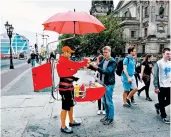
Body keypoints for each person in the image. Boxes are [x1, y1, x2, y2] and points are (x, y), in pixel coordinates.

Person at [56, 46, 88, 134]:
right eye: (69, 53)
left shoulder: (64, 61)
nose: (70, 54)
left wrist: (75, 68)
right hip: (65, 88)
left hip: (69, 87)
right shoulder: (63, 61)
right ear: (65, 52)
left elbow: (71, 72)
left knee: (70, 105)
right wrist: (84, 62)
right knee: (65, 107)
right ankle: (63, 126)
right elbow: (74, 66)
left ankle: (71, 121)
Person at [89, 46, 117, 125]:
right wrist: (91, 66)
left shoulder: (113, 61)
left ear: (109, 52)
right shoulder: (104, 59)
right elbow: (99, 66)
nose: (104, 54)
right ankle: (107, 116)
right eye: (104, 52)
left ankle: (110, 118)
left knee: (109, 101)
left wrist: (97, 67)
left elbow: (107, 71)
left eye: (106, 52)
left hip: (109, 84)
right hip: (102, 83)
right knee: (104, 101)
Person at [153, 48, 171, 124]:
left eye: (170, 54)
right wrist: (156, 87)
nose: (169, 55)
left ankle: (158, 106)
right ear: (163, 54)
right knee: (161, 100)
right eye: (167, 54)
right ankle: (163, 116)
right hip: (161, 85)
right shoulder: (159, 63)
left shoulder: (170, 63)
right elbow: (155, 75)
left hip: (169, 85)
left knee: (169, 100)